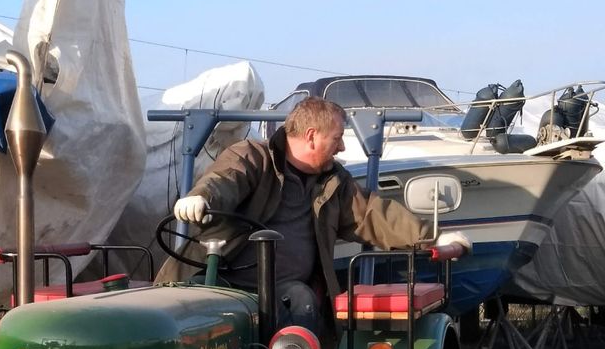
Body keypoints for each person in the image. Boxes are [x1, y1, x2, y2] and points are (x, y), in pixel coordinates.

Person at [156, 96, 468, 333]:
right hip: (223, 281)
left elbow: (373, 215)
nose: (342, 147)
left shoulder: (334, 181)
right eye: (336, 138)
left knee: (303, 301)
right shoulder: (251, 157)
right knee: (185, 316)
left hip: (283, 291)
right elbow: (224, 180)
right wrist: (199, 197)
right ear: (311, 136)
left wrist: (434, 236)